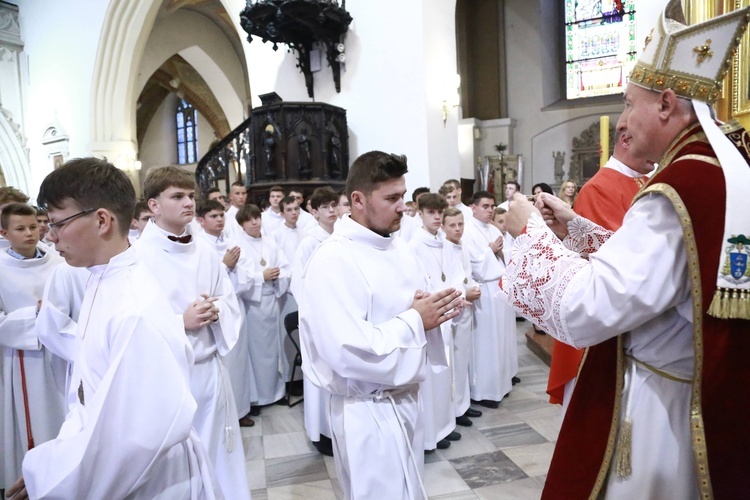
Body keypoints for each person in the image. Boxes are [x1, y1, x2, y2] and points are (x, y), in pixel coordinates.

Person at [500, 3, 750, 498]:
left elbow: (589, 308)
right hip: (710, 394)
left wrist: (529, 232)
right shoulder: (723, 171)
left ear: (665, 102)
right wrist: (578, 229)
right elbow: (681, 277)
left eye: (629, 103)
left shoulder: (678, 187)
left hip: (664, 406)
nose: (622, 121)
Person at [8, 158, 219, 499]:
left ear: (102, 220)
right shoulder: (102, 276)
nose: (50, 235)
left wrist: (52, 478)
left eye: (58, 223)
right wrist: (56, 463)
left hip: (147, 481)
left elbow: (137, 438)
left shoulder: (133, 305)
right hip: (108, 467)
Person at [299, 151, 462, 499]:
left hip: (406, 401)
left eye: (402, 196)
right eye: (391, 198)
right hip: (365, 412)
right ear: (357, 200)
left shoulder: (399, 249)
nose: (403, 206)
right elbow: (348, 349)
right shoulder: (333, 259)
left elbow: (415, 313)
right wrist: (417, 319)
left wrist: (437, 311)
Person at [136, 166, 249, 500]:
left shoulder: (203, 251)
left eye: (190, 196)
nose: (188, 203)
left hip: (210, 372)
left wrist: (218, 310)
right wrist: (180, 322)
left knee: (221, 455)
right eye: (177, 197)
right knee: (180, 466)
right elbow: (133, 323)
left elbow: (227, 298)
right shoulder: (138, 258)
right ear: (154, 205)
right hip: (169, 377)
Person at [546, 129, 653, 412]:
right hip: (605, 326)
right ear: (627, 140)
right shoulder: (600, 187)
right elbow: (612, 257)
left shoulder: (643, 180)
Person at [0, 203, 67, 492]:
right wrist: (33, 316)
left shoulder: (58, 262)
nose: (30, 233)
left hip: (61, 351)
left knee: (63, 413)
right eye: (20, 229)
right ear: (4, 233)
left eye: (33, 227)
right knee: (33, 421)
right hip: (23, 356)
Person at [196, 199, 257, 428]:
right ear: (201, 221)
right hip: (214, 313)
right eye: (213, 216)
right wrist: (225, 266)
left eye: (221, 215)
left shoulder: (232, 242)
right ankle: (223, 415)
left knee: (238, 362)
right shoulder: (199, 246)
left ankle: (240, 409)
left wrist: (232, 267)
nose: (220, 219)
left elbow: (248, 274)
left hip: (235, 307)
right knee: (224, 365)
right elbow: (203, 282)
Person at [408, 193, 462, 451]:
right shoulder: (414, 245)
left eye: (440, 212)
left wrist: (456, 295)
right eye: (431, 212)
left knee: (446, 374)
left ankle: (445, 425)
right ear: (420, 213)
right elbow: (418, 283)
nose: (437, 217)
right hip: (431, 316)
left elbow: (455, 274)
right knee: (431, 376)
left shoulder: (445, 243)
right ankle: (431, 434)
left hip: (448, 313)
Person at [290, 186, 338, 457]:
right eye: (325, 207)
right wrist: (318, 309)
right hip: (318, 316)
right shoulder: (310, 241)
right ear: (315, 211)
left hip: (337, 315)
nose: (332, 211)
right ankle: (320, 432)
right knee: (320, 376)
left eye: (334, 205)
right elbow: (299, 282)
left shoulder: (342, 237)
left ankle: (335, 428)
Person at [462, 191, 517, 408]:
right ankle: (484, 391)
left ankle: (501, 384)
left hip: (499, 288)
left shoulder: (494, 229)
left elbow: (509, 255)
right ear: (473, 207)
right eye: (485, 206)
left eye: (492, 206)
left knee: (501, 339)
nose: (490, 210)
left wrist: (501, 254)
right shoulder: (466, 230)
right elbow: (473, 263)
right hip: (484, 289)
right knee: (486, 343)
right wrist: (490, 251)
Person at [235, 203, 289, 408]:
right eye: (249, 219)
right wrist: (261, 277)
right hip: (252, 307)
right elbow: (238, 277)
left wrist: (277, 277)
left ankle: (276, 393)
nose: (254, 222)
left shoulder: (271, 242)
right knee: (255, 354)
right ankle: (257, 398)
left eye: (257, 217)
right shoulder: (238, 246)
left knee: (274, 351)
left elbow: (286, 268)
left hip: (271, 302)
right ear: (242, 224)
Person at [441, 207, 483, 425]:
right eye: (452, 225)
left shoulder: (462, 245)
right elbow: (444, 280)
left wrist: (473, 287)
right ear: (443, 226)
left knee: (463, 358)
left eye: (460, 224)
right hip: (453, 310)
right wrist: (463, 292)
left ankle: (463, 404)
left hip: (466, 308)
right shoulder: (443, 249)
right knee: (454, 362)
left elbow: (468, 275)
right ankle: (455, 410)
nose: (458, 229)